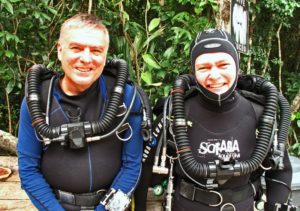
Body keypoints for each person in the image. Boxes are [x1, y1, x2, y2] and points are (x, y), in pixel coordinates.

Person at [135, 29, 293, 211]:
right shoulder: (175, 113)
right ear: (193, 71)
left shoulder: (258, 113)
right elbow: (146, 167)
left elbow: (280, 169)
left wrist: (275, 206)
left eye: (223, 64)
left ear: (237, 67)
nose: (214, 75)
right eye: (204, 67)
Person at [17, 13, 146, 211]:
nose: (86, 59)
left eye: (96, 50)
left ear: (105, 55)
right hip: (56, 205)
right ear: (60, 51)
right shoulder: (37, 101)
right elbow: (28, 171)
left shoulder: (125, 98)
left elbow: (132, 166)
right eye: (76, 48)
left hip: (111, 207)